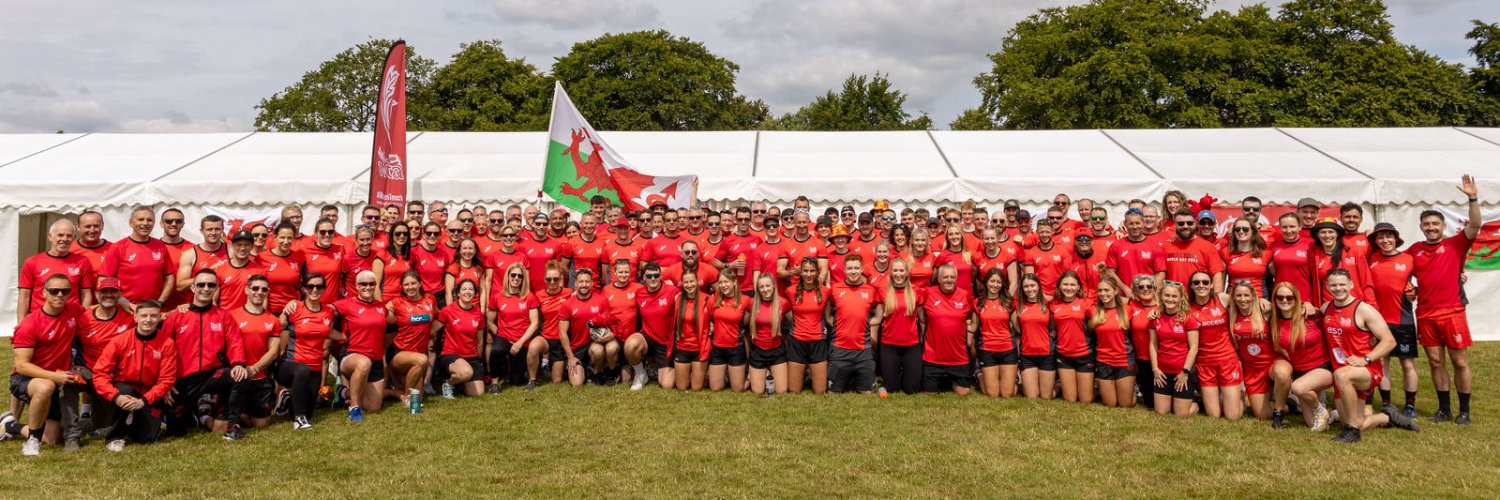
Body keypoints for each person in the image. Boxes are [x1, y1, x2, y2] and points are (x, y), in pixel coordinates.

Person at [1406, 175, 1481, 424]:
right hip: (1426, 313)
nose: (1430, 227)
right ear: (1421, 227)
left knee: (1459, 361)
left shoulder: (1455, 245)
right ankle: (1444, 409)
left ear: (1442, 226)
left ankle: (1465, 411)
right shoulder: (1414, 250)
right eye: (1426, 224)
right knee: (1435, 361)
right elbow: (1399, 269)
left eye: (1435, 224)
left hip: (1452, 312)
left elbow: (1476, 226)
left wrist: (1473, 198)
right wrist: (1409, 287)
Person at [1323, 269, 1421, 443]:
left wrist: (1365, 359)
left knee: (1342, 377)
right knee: (1354, 420)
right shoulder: (1325, 309)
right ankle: (1387, 417)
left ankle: (1353, 433)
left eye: (1342, 284)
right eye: (1333, 285)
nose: (1338, 288)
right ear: (1328, 286)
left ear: (1351, 284)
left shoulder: (1364, 310)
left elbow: (1390, 341)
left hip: (1367, 369)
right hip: (1344, 374)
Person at [164, 269, 250, 439]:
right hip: (184, 379)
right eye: (201, 284)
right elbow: (163, 349)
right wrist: (166, 380)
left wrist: (238, 364)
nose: (206, 288)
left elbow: (235, 341)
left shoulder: (224, 316)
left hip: (213, 374)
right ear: (193, 288)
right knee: (175, 432)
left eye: (211, 285)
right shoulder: (177, 316)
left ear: (216, 288)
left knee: (240, 376)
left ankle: (232, 426)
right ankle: (195, 415)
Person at [4, 275, 83, 455]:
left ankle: (11, 426)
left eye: (65, 291)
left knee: (53, 439)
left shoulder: (73, 310)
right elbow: (22, 365)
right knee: (45, 386)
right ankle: (32, 441)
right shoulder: (29, 324)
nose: (60, 295)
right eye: (54, 291)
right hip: (27, 379)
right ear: (44, 292)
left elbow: (97, 310)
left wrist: (126, 303)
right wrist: (55, 376)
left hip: (57, 379)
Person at [91, 300, 177, 452]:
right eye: (144, 315)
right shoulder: (120, 341)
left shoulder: (167, 343)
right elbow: (99, 374)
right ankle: (115, 436)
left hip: (149, 393)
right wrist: (116, 396)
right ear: (135, 317)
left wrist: (143, 401)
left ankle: (131, 424)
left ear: (159, 318)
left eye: (153, 316)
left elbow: (167, 380)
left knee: (148, 438)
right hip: (124, 389)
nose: (148, 320)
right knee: (126, 392)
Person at [67, 277, 133, 450]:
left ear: (120, 294)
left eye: (113, 291)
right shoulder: (84, 318)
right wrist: (74, 363)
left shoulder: (130, 316)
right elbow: (67, 340)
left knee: (102, 427)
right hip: (89, 371)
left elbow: (156, 318)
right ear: (97, 294)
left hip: (115, 375)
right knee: (69, 380)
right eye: (104, 291)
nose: (108, 295)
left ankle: (96, 422)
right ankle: (72, 434)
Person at [1366, 223, 1420, 417]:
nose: (1385, 240)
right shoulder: (1371, 258)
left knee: (1407, 364)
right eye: (1380, 237)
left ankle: (1410, 405)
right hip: (1378, 321)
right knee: (1382, 363)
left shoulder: (1408, 259)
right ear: (1375, 241)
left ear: (1396, 238)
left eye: (1389, 236)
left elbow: (1427, 279)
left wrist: (1415, 291)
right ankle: (1387, 403)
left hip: (1403, 320)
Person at [1267, 282, 1333, 430]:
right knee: (1313, 424)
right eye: (1280, 297)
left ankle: (1320, 409)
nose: (1284, 300)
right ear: (1275, 299)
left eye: (1289, 297)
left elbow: (1334, 318)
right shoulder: (1274, 320)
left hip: (1322, 367)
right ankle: (1334, 414)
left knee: (1298, 388)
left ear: (1297, 299)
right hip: (1299, 371)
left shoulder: (1311, 314)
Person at [276, 273, 335, 430]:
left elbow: (328, 333)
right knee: (302, 370)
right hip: (290, 364)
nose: (315, 289)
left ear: (324, 289)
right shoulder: (295, 307)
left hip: (314, 368)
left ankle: (287, 398)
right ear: (304, 289)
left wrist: (345, 337)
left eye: (319, 286)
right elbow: (278, 325)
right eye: (310, 286)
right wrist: (285, 309)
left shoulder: (329, 312)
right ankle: (299, 420)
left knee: (309, 410)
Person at [330, 270, 389, 420]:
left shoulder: (381, 307)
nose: (367, 287)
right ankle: (354, 408)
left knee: (373, 407)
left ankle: (342, 392)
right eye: (363, 284)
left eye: (371, 284)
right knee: (363, 362)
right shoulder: (347, 304)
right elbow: (323, 311)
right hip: (352, 355)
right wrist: (338, 335)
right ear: (356, 286)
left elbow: (395, 320)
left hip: (375, 359)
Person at [1186, 270, 1245, 420]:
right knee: (1214, 415)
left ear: (1212, 285)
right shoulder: (1187, 308)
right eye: (1196, 282)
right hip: (1205, 364)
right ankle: (1207, 399)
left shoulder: (1223, 299)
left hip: (1227, 361)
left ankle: (1241, 397)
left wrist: (1262, 302)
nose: (1201, 285)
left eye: (1205, 282)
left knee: (1232, 416)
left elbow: (1246, 301)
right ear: (1191, 286)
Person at [18, 219, 94, 322]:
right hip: (39, 320)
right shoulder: (32, 262)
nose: (64, 239)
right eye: (60, 235)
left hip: (69, 321)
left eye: (69, 236)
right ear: (50, 236)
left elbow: (86, 294)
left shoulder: (82, 262)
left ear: (74, 238)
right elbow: (24, 296)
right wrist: (21, 323)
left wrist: (82, 319)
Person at [230, 275, 280, 429]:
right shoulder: (232, 315)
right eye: (255, 288)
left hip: (259, 377)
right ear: (247, 290)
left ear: (268, 292)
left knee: (262, 424)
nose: (259, 292)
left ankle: (243, 413)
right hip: (236, 376)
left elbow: (273, 351)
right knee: (222, 424)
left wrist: (254, 369)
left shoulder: (273, 320)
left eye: (264, 289)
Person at [828, 255, 881, 394]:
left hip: (863, 351)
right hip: (840, 350)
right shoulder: (835, 289)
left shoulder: (870, 291)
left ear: (861, 269)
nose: (853, 271)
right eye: (850, 268)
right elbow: (827, 315)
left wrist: (869, 323)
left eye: (856, 268)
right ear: (844, 270)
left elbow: (878, 314)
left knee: (867, 392)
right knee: (834, 391)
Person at [102, 206, 175, 304]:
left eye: (149, 220)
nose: (145, 223)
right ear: (131, 223)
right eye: (141, 219)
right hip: (125, 308)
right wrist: (122, 301)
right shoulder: (118, 247)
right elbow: (104, 278)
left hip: (152, 309)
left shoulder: (160, 246)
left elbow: (169, 277)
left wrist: (160, 302)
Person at [485, 263, 541, 391]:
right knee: (496, 350)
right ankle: (494, 382)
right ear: (508, 277)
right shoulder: (498, 297)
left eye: (520, 276)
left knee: (516, 382)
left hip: (522, 340)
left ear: (523, 279)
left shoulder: (529, 297)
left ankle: (512, 372)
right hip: (504, 336)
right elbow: (490, 320)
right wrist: (497, 332)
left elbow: (534, 323)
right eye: (513, 275)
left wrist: (520, 342)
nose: (516, 278)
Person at [386, 271, 436, 409]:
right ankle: (407, 397)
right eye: (406, 284)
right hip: (398, 352)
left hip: (418, 353)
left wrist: (431, 331)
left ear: (420, 283)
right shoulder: (397, 302)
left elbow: (438, 316)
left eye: (413, 283)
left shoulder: (430, 300)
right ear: (402, 287)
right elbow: (379, 311)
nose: (410, 287)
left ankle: (394, 392)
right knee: (422, 360)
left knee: (420, 397)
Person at [920, 264, 973, 395]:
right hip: (933, 358)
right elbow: (920, 312)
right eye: (945, 277)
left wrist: (970, 337)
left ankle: (951, 380)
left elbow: (971, 318)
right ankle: (942, 381)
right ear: (938, 279)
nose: (949, 280)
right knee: (930, 393)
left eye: (952, 277)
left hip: (958, 357)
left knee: (964, 392)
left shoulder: (965, 295)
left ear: (956, 279)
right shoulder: (928, 292)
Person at [1149, 281, 1199, 418]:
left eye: (1174, 296)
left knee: (1181, 415)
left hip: (1182, 372)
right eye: (1167, 295)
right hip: (1162, 373)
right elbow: (1153, 345)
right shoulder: (1155, 317)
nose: (1170, 299)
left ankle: (1196, 404)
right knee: (1161, 413)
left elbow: (1194, 347)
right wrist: (1155, 370)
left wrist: (1185, 372)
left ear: (1181, 298)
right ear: (1161, 296)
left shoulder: (1188, 318)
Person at [625, 263, 677, 390]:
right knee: (630, 345)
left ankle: (660, 369)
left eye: (656, 275)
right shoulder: (639, 293)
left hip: (666, 342)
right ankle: (640, 374)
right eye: (649, 276)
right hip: (647, 336)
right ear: (644, 277)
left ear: (661, 276)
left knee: (667, 385)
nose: (653, 278)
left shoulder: (672, 291)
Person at [1228, 281, 1275, 420]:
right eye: (1239, 295)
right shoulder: (1231, 314)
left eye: (1246, 295)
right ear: (1234, 298)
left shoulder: (1265, 311)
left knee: (1282, 374)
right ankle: (1287, 406)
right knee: (1262, 415)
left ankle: (1282, 397)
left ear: (1253, 296)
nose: (1243, 299)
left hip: (1271, 364)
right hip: (1252, 369)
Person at [431, 279, 486, 398]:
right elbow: (432, 330)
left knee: (477, 393)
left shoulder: (479, 314)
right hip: (451, 354)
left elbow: (480, 341)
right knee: (466, 372)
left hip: (472, 355)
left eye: (471, 289)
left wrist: (479, 360)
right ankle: (448, 383)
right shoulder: (448, 310)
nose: (468, 292)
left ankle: (459, 382)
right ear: (459, 293)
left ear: (475, 294)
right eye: (464, 289)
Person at [785, 258, 830, 394]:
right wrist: (801, 324)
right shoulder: (791, 291)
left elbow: (827, 317)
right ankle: (802, 374)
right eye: (805, 271)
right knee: (794, 390)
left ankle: (811, 375)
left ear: (817, 273)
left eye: (812, 271)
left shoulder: (825, 291)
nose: (808, 274)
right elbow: (787, 313)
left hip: (818, 341)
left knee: (820, 391)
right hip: (797, 341)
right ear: (800, 273)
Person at [1090, 275, 1134, 407]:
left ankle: (1134, 390)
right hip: (1104, 360)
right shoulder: (1093, 311)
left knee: (1125, 404)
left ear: (1115, 291)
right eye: (1100, 291)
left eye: (1106, 290)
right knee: (1110, 404)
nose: (1103, 294)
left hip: (1124, 359)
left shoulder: (1127, 310)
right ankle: (1099, 387)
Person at [1049, 271, 1094, 403]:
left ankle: (1095, 386)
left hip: (1084, 354)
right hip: (1064, 355)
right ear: (1060, 286)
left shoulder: (1086, 303)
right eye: (1065, 284)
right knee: (1070, 399)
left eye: (1072, 285)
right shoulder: (1054, 304)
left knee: (1085, 400)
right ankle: (1059, 384)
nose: (1069, 288)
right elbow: (1053, 326)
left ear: (1078, 287)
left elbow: (1097, 320)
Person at [973, 268, 1017, 399]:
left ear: (1002, 284)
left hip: (1008, 349)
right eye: (992, 281)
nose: (995, 285)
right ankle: (979, 375)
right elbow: (974, 326)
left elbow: (1017, 328)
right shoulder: (978, 302)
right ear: (986, 282)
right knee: (992, 394)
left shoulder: (1009, 302)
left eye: (998, 282)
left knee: (1007, 394)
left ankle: (1015, 378)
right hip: (987, 350)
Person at [1155, 210, 1225, 292]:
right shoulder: (1166, 246)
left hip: (1198, 300)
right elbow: (1160, 274)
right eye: (1181, 223)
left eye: (1189, 223)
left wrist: (1217, 300)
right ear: (1175, 225)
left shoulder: (1208, 247)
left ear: (1195, 224)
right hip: (1173, 300)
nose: (1185, 226)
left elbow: (1216, 274)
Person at [707, 272, 750, 392]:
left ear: (734, 282)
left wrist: (743, 325)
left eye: (726, 282)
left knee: (738, 389)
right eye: (720, 282)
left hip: (735, 348)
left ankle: (753, 377)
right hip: (717, 348)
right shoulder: (714, 298)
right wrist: (711, 324)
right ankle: (726, 376)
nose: (723, 285)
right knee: (715, 388)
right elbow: (707, 315)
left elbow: (751, 315)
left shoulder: (745, 300)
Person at [1104, 209, 1159, 300]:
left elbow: (1161, 273)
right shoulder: (1116, 246)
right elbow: (1110, 271)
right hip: (1125, 298)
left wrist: (1150, 290)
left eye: (1137, 223)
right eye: (1131, 223)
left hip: (1149, 298)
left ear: (1143, 223)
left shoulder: (1155, 246)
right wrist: (1125, 289)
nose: (1135, 226)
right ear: (1125, 224)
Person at [172, 216, 227, 307]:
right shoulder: (190, 254)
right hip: (198, 308)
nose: (213, 233)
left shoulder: (231, 252)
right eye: (209, 229)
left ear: (222, 230)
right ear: (202, 231)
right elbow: (180, 286)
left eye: (217, 229)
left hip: (225, 308)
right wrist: (205, 277)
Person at [667, 270, 708, 390]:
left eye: (692, 281)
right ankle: (692, 375)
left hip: (699, 349)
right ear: (682, 284)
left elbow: (717, 316)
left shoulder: (707, 299)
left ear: (697, 282)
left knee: (696, 388)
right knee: (681, 387)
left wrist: (712, 325)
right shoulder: (677, 299)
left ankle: (705, 376)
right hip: (682, 348)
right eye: (686, 282)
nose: (689, 285)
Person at [1015, 274, 1055, 399]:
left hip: (1046, 353)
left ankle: (1059, 385)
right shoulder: (1019, 306)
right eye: (1026, 286)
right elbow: (1017, 329)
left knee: (1046, 396)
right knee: (1031, 396)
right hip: (1027, 354)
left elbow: (1054, 326)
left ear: (1038, 287)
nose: (1030, 289)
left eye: (1032, 285)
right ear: (1022, 289)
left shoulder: (1048, 305)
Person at [1126, 275, 1160, 405]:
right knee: (1150, 402)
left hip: (1161, 358)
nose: (1145, 289)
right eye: (1141, 287)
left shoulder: (1163, 306)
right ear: (1135, 291)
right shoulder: (1132, 304)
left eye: (1149, 286)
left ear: (1155, 288)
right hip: (1141, 358)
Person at [211, 230, 263, 311]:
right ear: (232, 246)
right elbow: (212, 299)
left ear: (252, 246)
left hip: (247, 318)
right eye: (239, 245)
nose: (242, 248)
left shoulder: (259, 272)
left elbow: (263, 300)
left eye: (246, 245)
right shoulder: (220, 269)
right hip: (225, 317)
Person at [260, 223, 306, 313]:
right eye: (282, 237)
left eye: (289, 238)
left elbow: (304, 285)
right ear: (275, 237)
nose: (286, 241)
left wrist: (297, 302)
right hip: (268, 310)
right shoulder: (262, 258)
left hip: (292, 309)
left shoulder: (299, 258)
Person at [300, 219, 345, 307]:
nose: (327, 235)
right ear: (316, 233)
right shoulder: (304, 250)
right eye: (323, 232)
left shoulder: (340, 249)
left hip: (332, 305)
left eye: (331, 232)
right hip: (311, 305)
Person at [1222, 218, 1269, 297]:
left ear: (1253, 231)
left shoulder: (1266, 254)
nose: (1241, 231)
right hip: (1234, 300)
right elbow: (1221, 281)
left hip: (1259, 300)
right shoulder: (1226, 252)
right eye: (1237, 229)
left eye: (1245, 229)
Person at [339, 226, 386, 302]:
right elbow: (340, 279)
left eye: (368, 239)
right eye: (362, 240)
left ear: (372, 240)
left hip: (371, 301)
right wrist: (343, 295)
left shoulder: (377, 256)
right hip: (352, 300)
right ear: (356, 241)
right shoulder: (347, 258)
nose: (365, 243)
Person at [410, 222, 451, 303]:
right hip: (421, 295)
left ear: (439, 236)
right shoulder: (415, 252)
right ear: (424, 234)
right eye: (429, 233)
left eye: (436, 234)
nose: (432, 236)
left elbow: (445, 275)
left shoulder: (443, 254)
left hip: (439, 296)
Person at [443, 239, 484, 307]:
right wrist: (451, 311)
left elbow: (482, 292)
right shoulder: (453, 268)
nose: (467, 251)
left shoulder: (479, 269)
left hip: (475, 307)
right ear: (459, 251)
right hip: (458, 308)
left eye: (470, 248)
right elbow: (448, 293)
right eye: (464, 248)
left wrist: (482, 309)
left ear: (475, 251)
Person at [380, 223, 413, 301]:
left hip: (404, 300)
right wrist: (380, 306)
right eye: (398, 233)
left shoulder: (410, 256)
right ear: (391, 236)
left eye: (405, 234)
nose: (402, 236)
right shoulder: (383, 254)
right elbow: (376, 284)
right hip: (386, 299)